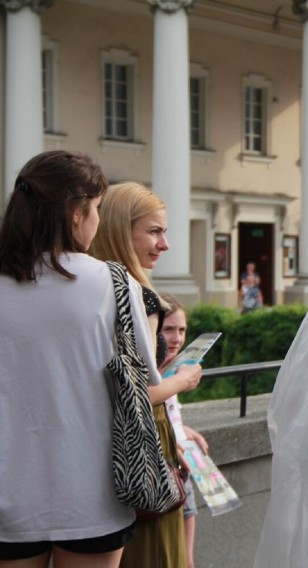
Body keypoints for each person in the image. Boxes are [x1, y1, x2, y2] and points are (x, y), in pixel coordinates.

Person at [0, 151, 159, 567]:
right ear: (76, 212)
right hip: (90, 490)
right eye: (98, 209)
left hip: (7, 491)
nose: (98, 221)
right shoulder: (113, 280)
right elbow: (146, 374)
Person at [89, 182, 202, 568]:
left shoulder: (88, 288)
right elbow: (141, 392)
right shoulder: (139, 297)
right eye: (154, 231)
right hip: (143, 445)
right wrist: (184, 380)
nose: (164, 243)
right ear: (122, 230)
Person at [159, 295, 210, 568]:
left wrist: (183, 429)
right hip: (163, 469)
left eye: (181, 330)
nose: (177, 338)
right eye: (168, 329)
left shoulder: (173, 369)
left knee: (189, 511)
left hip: (180, 466)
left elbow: (168, 414)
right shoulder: (153, 374)